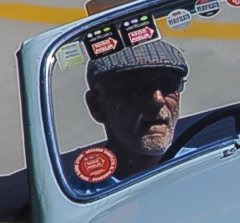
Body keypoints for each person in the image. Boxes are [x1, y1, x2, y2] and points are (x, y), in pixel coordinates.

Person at [67, 37, 188, 190]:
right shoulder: (79, 197)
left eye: (169, 84)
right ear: (97, 105)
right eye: (137, 88)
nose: (158, 99)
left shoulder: (205, 164)